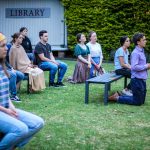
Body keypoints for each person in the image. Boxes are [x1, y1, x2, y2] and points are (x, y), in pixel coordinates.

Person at [0, 32, 44, 149]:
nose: (6, 48)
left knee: (38, 123)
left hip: (6, 108)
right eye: (2, 46)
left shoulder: (2, 66)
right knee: (21, 129)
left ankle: (12, 144)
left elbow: (4, 93)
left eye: (5, 45)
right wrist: (6, 111)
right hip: (2, 110)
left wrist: (12, 108)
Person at [109, 33, 150, 106]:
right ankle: (118, 96)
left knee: (141, 101)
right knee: (137, 101)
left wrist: (145, 66)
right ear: (138, 42)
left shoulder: (140, 51)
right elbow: (129, 65)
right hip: (130, 75)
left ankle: (122, 93)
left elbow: (128, 63)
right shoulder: (134, 53)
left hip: (140, 78)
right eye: (143, 40)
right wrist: (145, 66)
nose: (145, 41)